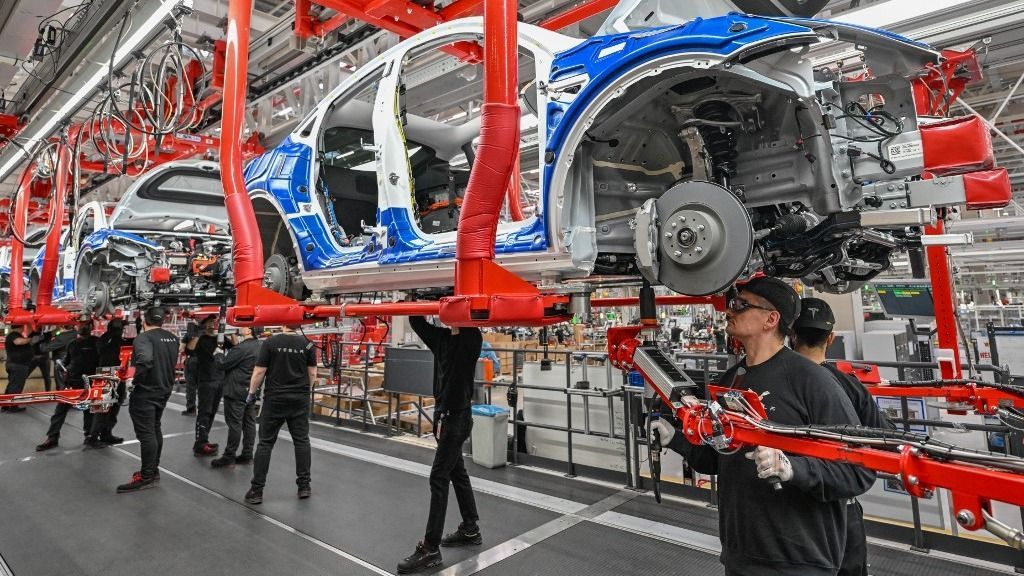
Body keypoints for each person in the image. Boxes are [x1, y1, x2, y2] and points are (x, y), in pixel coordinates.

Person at [652, 277, 875, 576]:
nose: (729, 311)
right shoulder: (732, 380)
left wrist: (793, 468)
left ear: (771, 319)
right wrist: (675, 439)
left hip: (798, 562)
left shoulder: (812, 381)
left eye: (741, 305)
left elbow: (858, 469)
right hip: (740, 556)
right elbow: (719, 457)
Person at [791, 297, 893, 576]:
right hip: (844, 510)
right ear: (831, 338)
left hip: (794, 514)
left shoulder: (781, 383)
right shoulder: (849, 384)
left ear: (791, 335)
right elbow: (887, 439)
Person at [398, 316, 483, 574]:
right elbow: (417, 321)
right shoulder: (442, 339)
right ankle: (470, 528)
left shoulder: (471, 339)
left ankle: (431, 549)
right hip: (445, 417)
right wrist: (414, 296)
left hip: (457, 419)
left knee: (439, 477)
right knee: (457, 472)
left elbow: (471, 318)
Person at [243, 325, 317, 505]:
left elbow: (259, 371)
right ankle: (304, 486)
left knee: (265, 443)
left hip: (274, 399)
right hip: (299, 399)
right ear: (298, 324)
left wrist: (251, 393)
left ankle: (257, 490)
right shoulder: (308, 344)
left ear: (282, 324)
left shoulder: (270, 342)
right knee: (301, 441)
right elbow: (313, 372)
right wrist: (306, 391)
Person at [118, 307, 179, 494]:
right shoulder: (173, 338)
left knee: (146, 434)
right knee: (155, 428)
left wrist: (133, 382)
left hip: (145, 392)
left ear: (145, 321)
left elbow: (145, 360)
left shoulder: (143, 338)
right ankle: (153, 470)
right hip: (164, 389)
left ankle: (146, 476)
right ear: (162, 321)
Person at [35, 323, 99, 451]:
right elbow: (67, 361)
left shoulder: (95, 343)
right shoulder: (74, 344)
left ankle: (90, 436)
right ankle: (53, 437)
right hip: (75, 382)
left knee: (89, 410)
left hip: (88, 381)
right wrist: (64, 367)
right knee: (62, 410)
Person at [211, 327, 260, 468]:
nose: (240, 328)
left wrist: (218, 354)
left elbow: (222, 364)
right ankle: (247, 454)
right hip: (250, 390)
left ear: (250, 330)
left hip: (235, 391)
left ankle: (229, 456)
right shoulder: (260, 346)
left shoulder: (242, 348)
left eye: (244, 326)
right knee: (249, 423)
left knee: (235, 424)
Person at [87, 319, 127, 445]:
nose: (123, 331)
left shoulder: (117, 339)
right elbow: (103, 351)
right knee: (101, 408)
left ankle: (106, 433)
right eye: (122, 328)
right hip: (105, 373)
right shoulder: (107, 339)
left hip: (117, 374)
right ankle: (93, 437)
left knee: (115, 406)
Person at [188, 315, 223, 456]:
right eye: (210, 322)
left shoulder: (219, 338)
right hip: (206, 381)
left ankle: (204, 440)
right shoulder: (201, 339)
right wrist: (198, 333)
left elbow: (234, 344)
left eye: (214, 321)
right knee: (204, 412)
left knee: (212, 412)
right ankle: (199, 444)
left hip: (219, 380)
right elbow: (189, 350)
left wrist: (229, 330)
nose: (212, 324)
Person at [3, 325, 33, 413]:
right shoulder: (13, 335)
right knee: (16, 387)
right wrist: (30, 339)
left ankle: (5, 405)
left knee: (12, 386)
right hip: (18, 365)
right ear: (20, 328)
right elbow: (18, 342)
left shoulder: (16, 335)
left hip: (17, 365)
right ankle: (13, 407)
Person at [180, 321, 200, 415]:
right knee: (202, 386)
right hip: (204, 362)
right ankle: (203, 408)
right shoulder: (205, 334)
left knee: (191, 386)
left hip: (191, 361)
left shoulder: (188, 335)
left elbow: (181, 349)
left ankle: (191, 409)